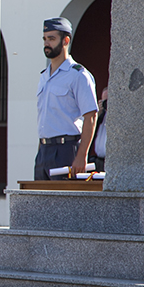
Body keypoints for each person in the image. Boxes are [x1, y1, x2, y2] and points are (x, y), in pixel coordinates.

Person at [34, 17, 97, 180]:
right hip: (43, 151)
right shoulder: (44, 76)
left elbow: (90, 115)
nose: (47, 43)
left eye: (52, 39)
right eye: (45, 39)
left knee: (63, 203)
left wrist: (82, 154)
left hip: (66, 150)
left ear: (66, 40)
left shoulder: (78, 75)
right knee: (40, 204)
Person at [91, 86, 107, 172]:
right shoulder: (100, 117)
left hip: (110, 161)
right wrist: (97, 114)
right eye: (104, 101)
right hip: (98, 161)